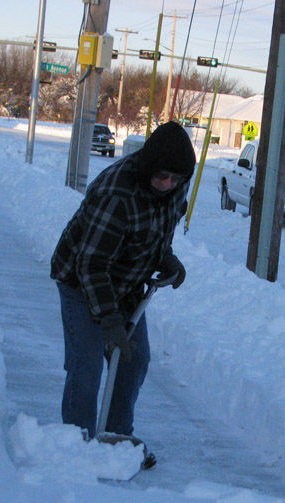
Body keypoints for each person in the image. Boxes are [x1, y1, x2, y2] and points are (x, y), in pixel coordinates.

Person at [50, 121, 195, 460]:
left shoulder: (174, 188)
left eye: (176, 179)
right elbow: (91, 264)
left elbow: (156, 230)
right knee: (87, 365)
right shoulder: (117, 194)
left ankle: (115, 438)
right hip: (82, 281)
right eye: (162, 177)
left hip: (126, 283)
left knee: (134, 359)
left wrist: (166, 258)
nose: (168, 185)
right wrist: (109, 322)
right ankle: (78, 443)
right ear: (147, 168)